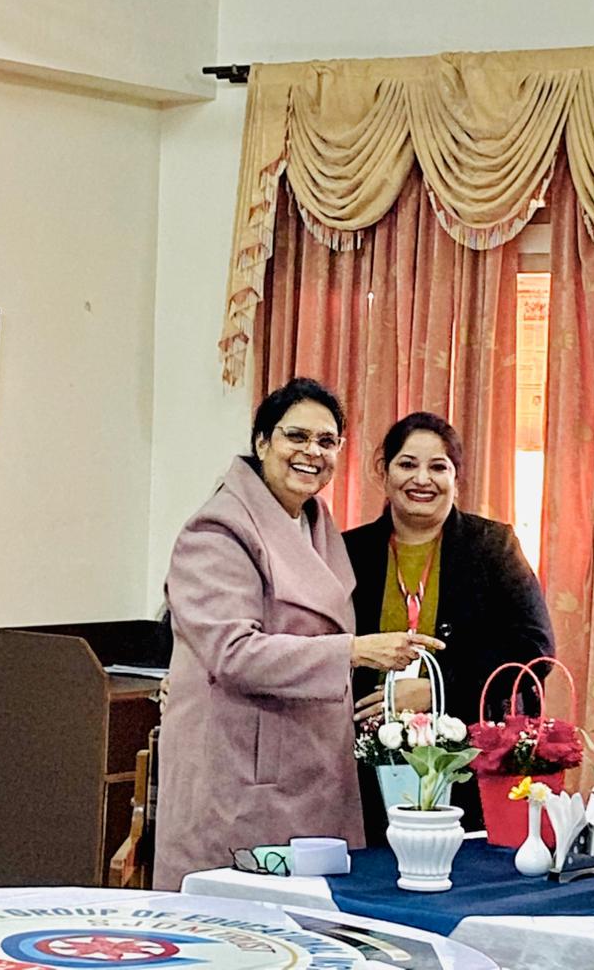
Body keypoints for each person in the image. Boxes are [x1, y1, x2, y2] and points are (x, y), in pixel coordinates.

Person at [153, 378, 443, 888]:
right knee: (239, 921)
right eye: (297, 436)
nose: (313, 452)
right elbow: (233, 653)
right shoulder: (217, 530)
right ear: (262, 442)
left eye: (327, 441)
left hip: (312, 766)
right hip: (242, 771)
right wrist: (353, 651)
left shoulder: (315, 522)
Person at [345, 411, 555, 837]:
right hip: (364, 767)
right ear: (384, 472)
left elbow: (535, 648)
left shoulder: (493, 546)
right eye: (407, 464)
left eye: (438, 467)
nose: (422, 479)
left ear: (456, 478)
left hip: (469, 766)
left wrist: (437, 692)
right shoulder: (349, 550)